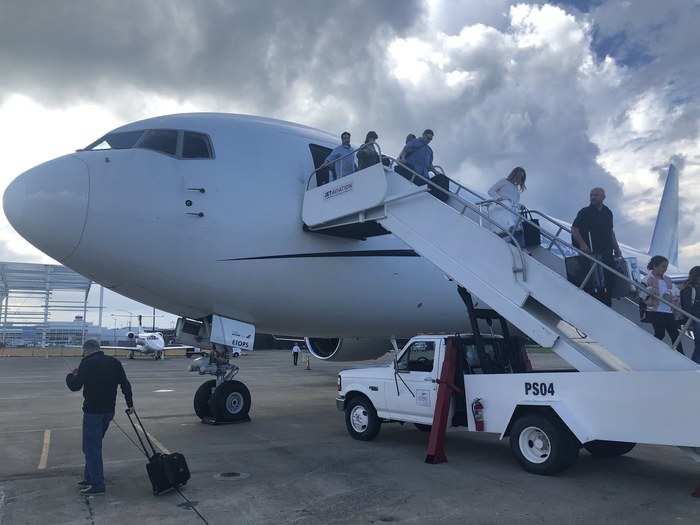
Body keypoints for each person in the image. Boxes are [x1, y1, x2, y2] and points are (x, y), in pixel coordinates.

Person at [66, 339, 134, 496]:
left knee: (91, 448)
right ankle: (89, 477)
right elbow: (125, 384)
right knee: (92, 446)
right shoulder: (114, 362)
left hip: (93, 412)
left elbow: (75, 385)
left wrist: (70, 375)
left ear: (87, 350)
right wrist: (130, 404)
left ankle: (97, 483)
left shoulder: (87, 362)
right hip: (109, 411)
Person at [571, 187, 622, 306]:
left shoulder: (607, 212)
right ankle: (594, 303)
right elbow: (574, 229)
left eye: (596, 195)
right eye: (591, 195)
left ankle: (607, 303)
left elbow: (610, 232)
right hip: (591, 252)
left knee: (609, 278)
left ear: (603, 197)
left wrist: (617, 248)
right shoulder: (585, 212)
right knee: (594, 281)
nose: (593, 197)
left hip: (607, 251)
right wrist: (582, 244)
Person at [643, 255, 684, 354]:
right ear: (655, 266)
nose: (665, 269)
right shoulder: (648, 278)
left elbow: (674, 292)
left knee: (675, 335)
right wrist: (651, 291)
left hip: (667, 311)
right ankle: (651, 352)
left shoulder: (668, 279)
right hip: (655, 310)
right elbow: (642, 293)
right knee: (660, 333)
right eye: (663, 266)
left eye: (666, 267)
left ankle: (682, 356)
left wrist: (671, 296)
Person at [487, 167, 527, 236]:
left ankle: (515, 228)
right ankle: (511, 227)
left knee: (515, 212)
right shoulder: (504, 181)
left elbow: (514, 203)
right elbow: (491, 191)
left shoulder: (516, 190)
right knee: (507, 204)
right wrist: (499, 198)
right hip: (499, 207)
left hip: (510, 210)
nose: (519, 179)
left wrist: (520, 206)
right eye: (518, 177)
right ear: (513, 175)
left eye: (521, 178)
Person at [680, 265, 700, 363]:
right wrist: (690, 321)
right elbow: (686, 307)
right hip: (696, 320)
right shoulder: (688, 289)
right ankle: (695, 364)